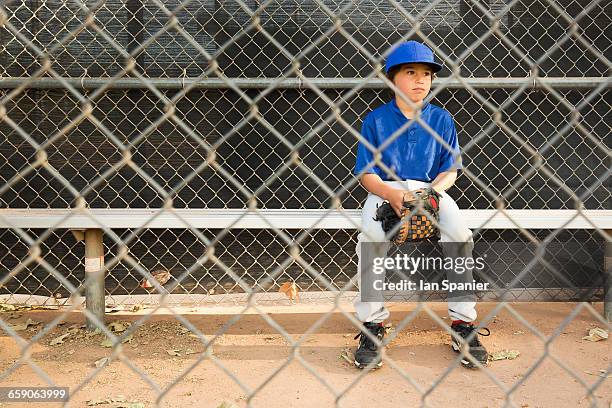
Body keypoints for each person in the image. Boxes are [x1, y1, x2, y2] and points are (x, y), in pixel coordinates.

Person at [352, 41, 489, 369]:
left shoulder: (441, 119)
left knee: (459, 234)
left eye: (426, 74)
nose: (420, 80)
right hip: (386, 191)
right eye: (410, 72)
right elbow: (365, 174)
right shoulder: (376, 120)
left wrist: (431, 195)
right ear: (392, 78)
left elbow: (450, 170)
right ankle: (372, 324)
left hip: (431, 190)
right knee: (369, 239)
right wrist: (393, 195)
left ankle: (462, 323)